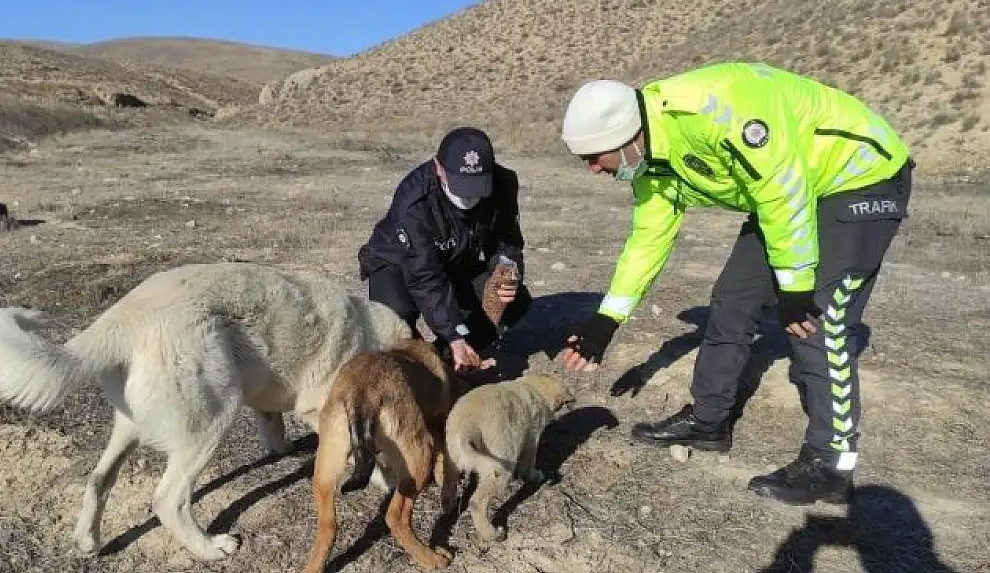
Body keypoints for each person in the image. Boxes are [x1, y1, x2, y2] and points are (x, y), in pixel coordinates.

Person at [555, 61, 914, 506]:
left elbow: (783, 188)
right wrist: (607, 319)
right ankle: (709, 422)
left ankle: (831, 464)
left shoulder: (713, 111)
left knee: (818, 317)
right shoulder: (648, 159)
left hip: (859, 176)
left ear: (624, 137)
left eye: (594, 157)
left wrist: (796, 286)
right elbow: (649, 237)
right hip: (790, 190)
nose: (592, 169)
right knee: (733, 298)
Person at [358, 126, 532, 372]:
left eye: (478, 186)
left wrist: (507, 267)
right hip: (397, 261)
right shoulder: (415, 200)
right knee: (394, 322)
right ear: (439, 168)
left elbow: (506, 239)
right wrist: (453, 332)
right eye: (462, 185)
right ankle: (415, 367)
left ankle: (449, 360)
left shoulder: (502, 185)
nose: (470, 197)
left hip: (455, 259)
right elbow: (425, 275)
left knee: (514, 302)